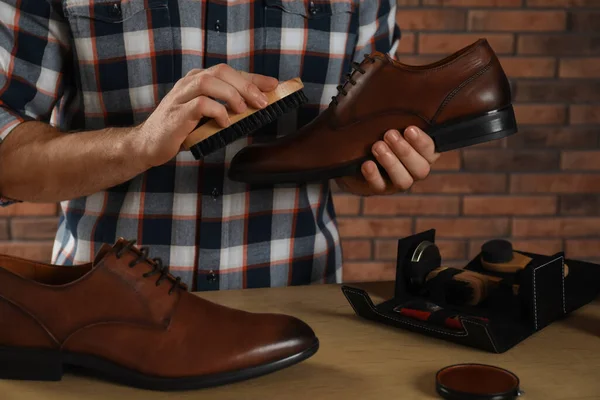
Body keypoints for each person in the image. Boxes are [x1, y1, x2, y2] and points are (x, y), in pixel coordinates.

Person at [0, 0, 439, 291]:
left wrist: (373, 165)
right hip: (107, 314)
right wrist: (139, 144)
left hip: (299, 306)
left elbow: (362, 132)